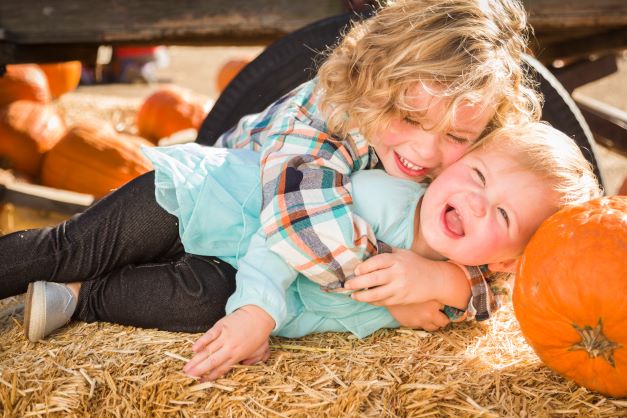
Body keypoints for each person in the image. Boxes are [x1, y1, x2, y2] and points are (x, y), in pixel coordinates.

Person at [10, 122, 601, 382]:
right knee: (74, 245)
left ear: (506, 259)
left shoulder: (458, 284)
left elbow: (485, 305)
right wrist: (259, 313)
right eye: (475, 174)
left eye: (499, 214)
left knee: (199, 306)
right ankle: (53, 272)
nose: (473, 201)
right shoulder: (386, 199)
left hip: (228, 268)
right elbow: (284, 238)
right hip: (208, 202)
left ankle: (84, 300)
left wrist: (440, 284)